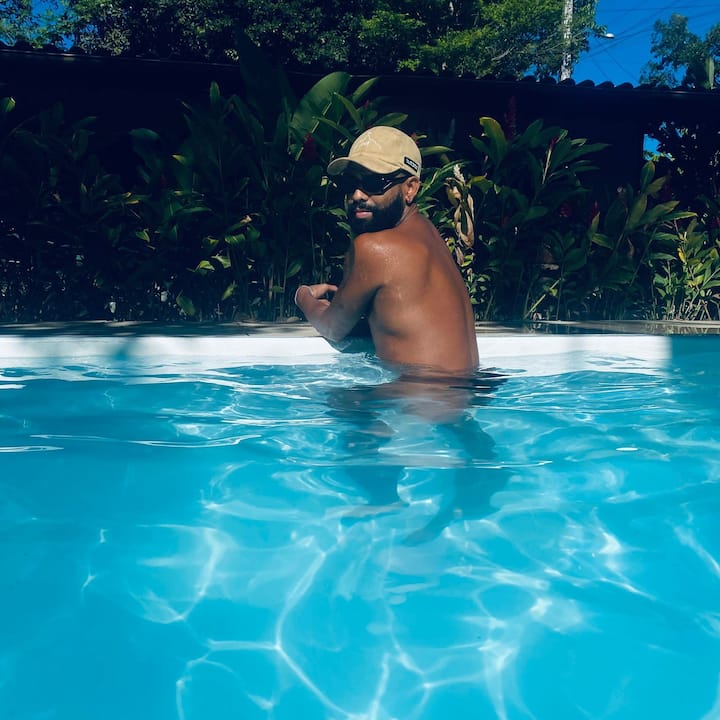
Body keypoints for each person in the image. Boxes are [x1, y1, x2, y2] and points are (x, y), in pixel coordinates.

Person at [294, 125, 479, 380]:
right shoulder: (429, 234)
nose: (357, 195)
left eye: (374, 182)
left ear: (410, 188)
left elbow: (332, 327)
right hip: (466, 391)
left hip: (418, 397)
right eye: (350, 183)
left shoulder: (372, 248)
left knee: (334, 398)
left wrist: (303, 297)